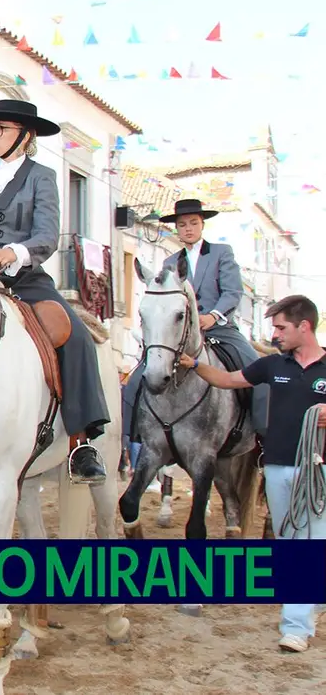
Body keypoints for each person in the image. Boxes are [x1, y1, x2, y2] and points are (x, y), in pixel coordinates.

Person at [0, 99, 109, 485]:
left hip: (24, 279)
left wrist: (15, 251)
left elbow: (46, 234)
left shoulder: (42, 177)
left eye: (0, 129)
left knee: (77, 340)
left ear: (24, 136)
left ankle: (81, 443)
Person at [177, 295, 325, 653]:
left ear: (304, 326)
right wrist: (194, 363)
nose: (274, 334)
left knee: (312, 543)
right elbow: (227, 380)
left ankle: (295, 627)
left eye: (280, 327)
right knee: (291, 541)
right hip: (277, 466)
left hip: (319, 468)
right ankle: (309, 599)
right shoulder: (272, 366)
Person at [122, 198, 269, 452]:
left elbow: (232, 292)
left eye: (193, 223)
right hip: (179, 335)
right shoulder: (169, 263)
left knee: (258, 371)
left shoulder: (222, 253)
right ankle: (132, 435)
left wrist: (213, 316)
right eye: (182, 225)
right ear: (177, 229)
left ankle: (263, 436)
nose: (188, 228)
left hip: (219, 328)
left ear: (202, 225)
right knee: (137, 378)